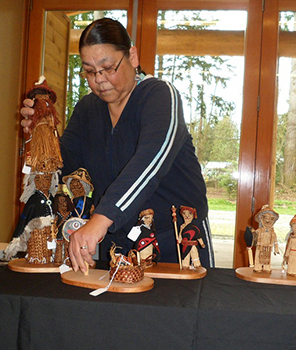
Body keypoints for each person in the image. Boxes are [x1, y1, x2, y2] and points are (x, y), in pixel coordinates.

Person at [21, 18, 214, 273]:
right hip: (117, 243)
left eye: (108, 67)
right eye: (90, 71)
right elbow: (64, 166)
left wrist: (101, 220)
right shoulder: (88, 109)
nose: (99, 79)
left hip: (177, 240)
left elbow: (150, 162)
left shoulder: (160, 95)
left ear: (132, 56)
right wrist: (39, 136)